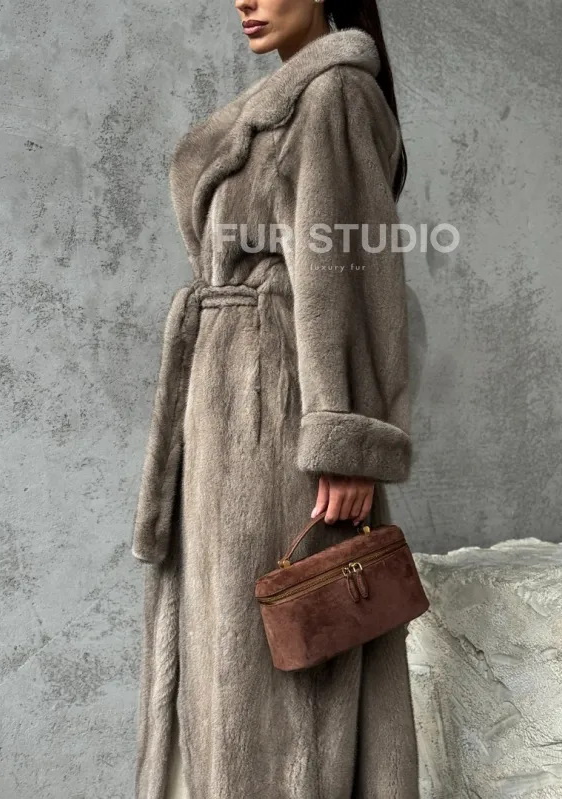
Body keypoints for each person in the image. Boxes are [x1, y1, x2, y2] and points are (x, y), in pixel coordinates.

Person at [130, 1, 419, 797]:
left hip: (275, 421)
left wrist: (346, 441)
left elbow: (353, 280)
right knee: (223, 667)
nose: (245, 1)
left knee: (276, 680)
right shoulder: (285, 105)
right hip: (222, 420)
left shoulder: (335, 94)